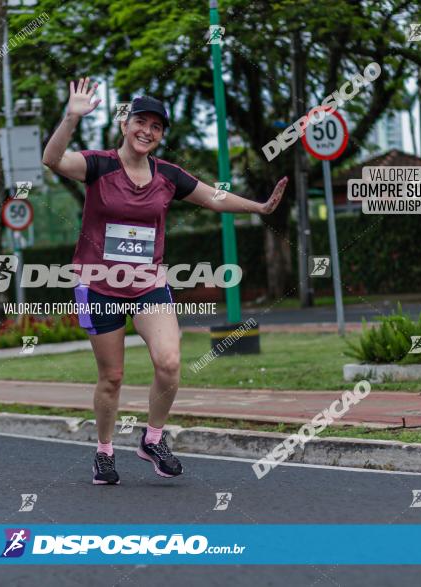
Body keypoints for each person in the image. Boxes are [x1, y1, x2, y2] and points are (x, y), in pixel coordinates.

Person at [42, 77, 288, 485]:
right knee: (112, 377)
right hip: (99, 284)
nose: (147, 131)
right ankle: (104, 452)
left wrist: (259, 207)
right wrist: (71, 117)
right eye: (141, 122)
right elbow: (52, 160)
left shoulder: (168, 176)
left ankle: (152, 439)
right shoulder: (98, 165)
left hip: (148, 284)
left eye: (156, 127)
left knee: (170, 363)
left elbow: (215, 197)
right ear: (125, 124)